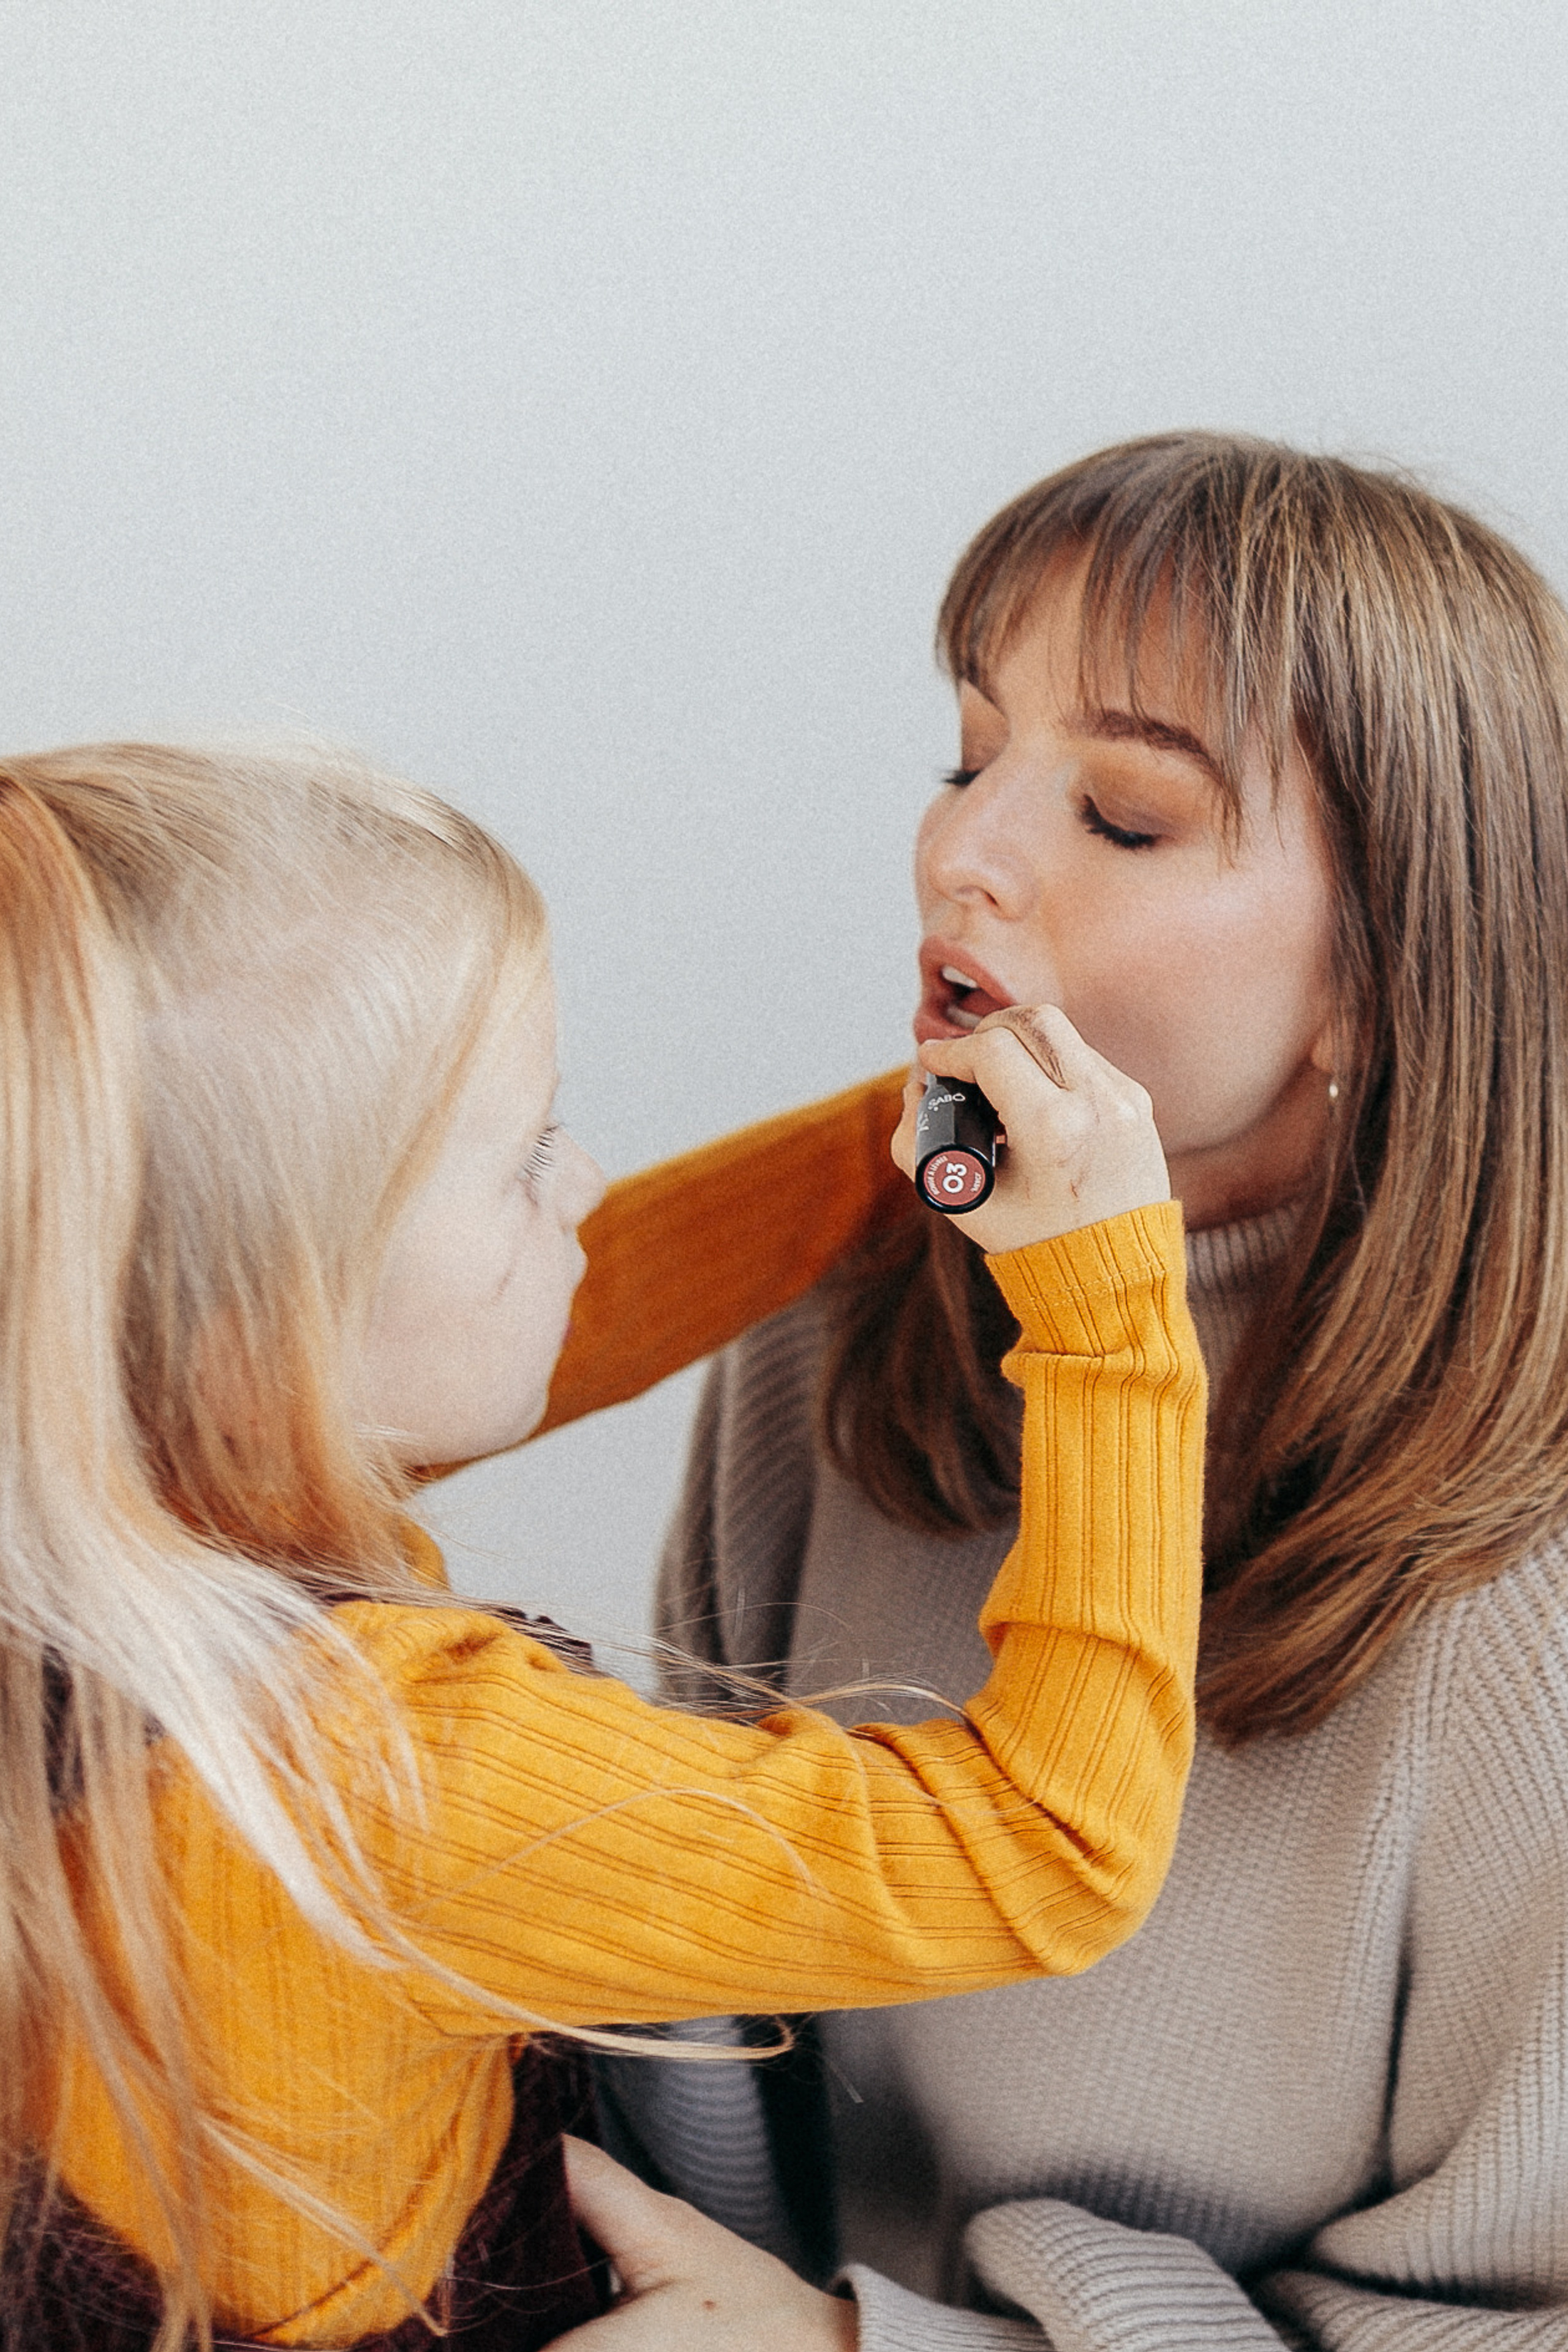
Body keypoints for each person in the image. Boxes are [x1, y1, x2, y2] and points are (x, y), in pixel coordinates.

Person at [0, 739, 1205, 2351]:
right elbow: (1051, 1856)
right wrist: (1112, 1311)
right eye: (522, 1161)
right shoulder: (390, 1774)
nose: (579, 1185)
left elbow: (533, 1320)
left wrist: (906, 1134)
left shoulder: (95, 1502)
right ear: (269, 1334)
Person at [572, 434, 1568, 2349]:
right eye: (968, 751)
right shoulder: (846, 1318)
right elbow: (717, 2017)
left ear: (1392, 971)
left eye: (1119, 814)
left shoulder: (1521, 1584)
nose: (964, 851)